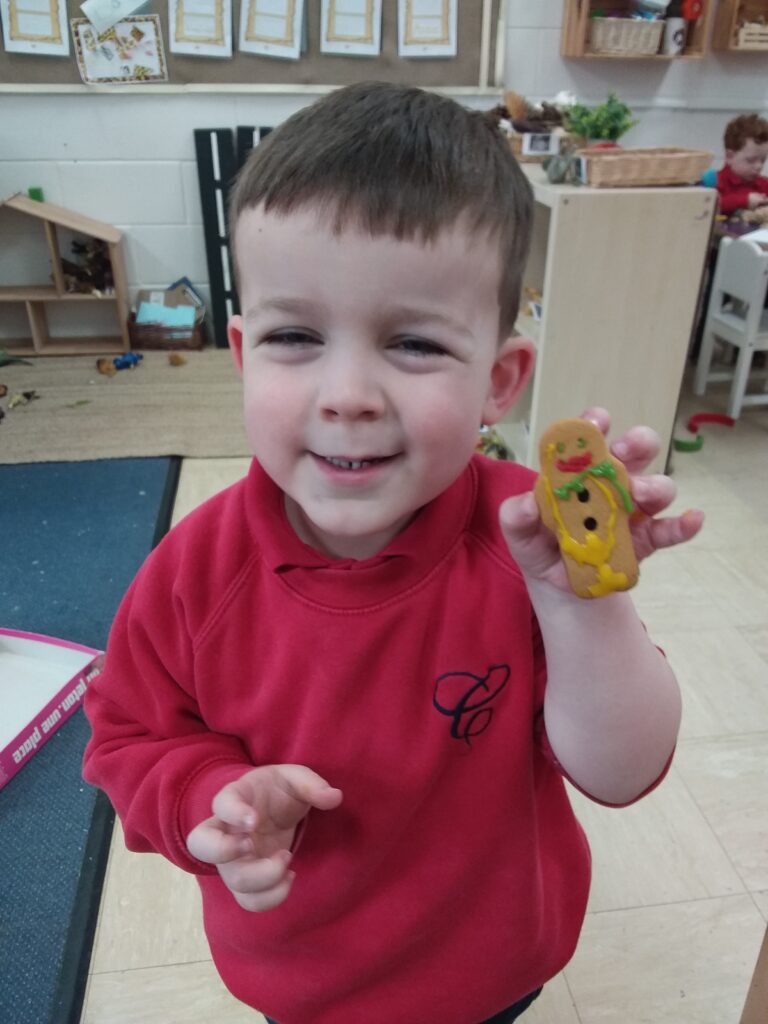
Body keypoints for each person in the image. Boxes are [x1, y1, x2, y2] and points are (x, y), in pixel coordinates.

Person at [82, 82, 703, 1024]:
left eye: (411, 343)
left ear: (498, 380)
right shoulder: (191, 576)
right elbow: (128, 739)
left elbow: (623, 771)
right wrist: (212, 798)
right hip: (301, 980)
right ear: (244, 355)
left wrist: (581, 602)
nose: (348, 394)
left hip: (493, 968)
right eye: (297, 337)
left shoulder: (526, 539)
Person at [715, 112, 768, 217]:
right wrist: (744, 201)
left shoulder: (763, 185)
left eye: (763, 160)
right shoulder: (716, 182)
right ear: (729, 156)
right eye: (751, 160)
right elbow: (711, 205)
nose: (759, 166)